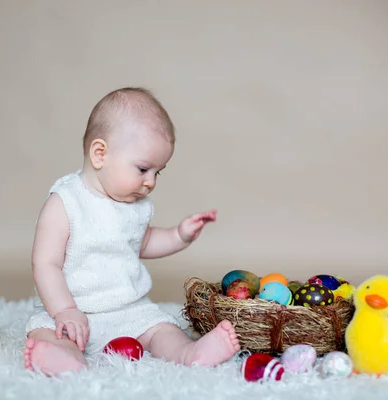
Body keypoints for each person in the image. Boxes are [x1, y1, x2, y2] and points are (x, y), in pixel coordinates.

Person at [23, 87, 240, 375]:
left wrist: (179, 235)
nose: (150, 182)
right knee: (48, 331)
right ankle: (64, 358)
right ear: (100, 154)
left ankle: (189, 352)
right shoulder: (66, 202)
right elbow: (45, 263)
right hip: (73, 311)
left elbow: (144, 242)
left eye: (157, 172)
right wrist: (64, 310)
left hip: (129, 310)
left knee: (162, 329)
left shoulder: (136, 206)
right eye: (142, 169)